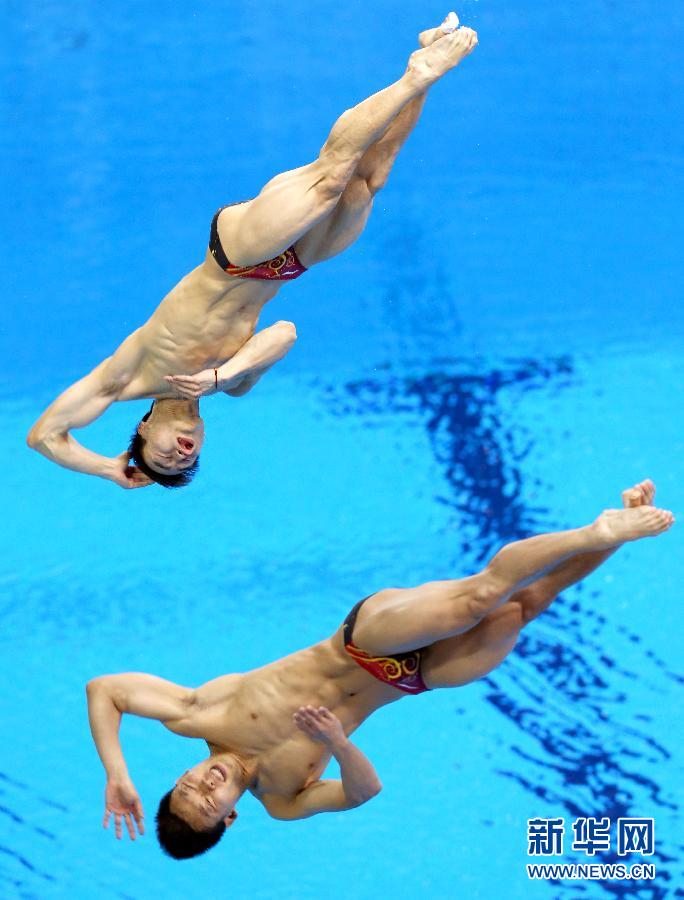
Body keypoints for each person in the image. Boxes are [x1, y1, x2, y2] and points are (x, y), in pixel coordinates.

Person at [85, 481, 674, 857]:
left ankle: (594, 531)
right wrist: (337, 743)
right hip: (410, 679)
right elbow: (364, 792)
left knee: (477, 598)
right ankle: (621, 532)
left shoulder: (199, 716)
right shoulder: (283, 801)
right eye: (210, 802)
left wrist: (117, 773)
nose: (207, 784)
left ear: (181, 775)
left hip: (362, 642)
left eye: (190, 785)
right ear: (231, 817)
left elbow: (105, 690)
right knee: (521, 609)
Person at [27, 13, 477, 489]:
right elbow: (284, 333)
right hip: (288, 267)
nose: (179, 456)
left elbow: (44, 437)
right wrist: (221, 378)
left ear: (142, 430)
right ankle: (427, 53)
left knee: (329, 178)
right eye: (184, 463)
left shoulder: (129, 379)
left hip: (235, 257)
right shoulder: (233, 383)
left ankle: (418, 74)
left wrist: (111, 470)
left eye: (162, 458)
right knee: (369, 179)